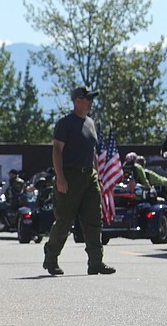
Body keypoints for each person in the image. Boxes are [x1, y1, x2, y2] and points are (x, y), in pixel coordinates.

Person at [45, 86, 115, 276]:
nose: (90, 102)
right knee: (64, 221)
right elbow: (57, 150)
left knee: (94, 220)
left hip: (89, 176)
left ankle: (96, 262)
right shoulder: (65, 123)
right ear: (77, 101)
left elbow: (92, 152)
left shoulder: (90, 123)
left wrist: (97, 176)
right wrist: (60, 177)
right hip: (70, 176)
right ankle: (51, 257)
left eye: (91, 99)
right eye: (87, 98)